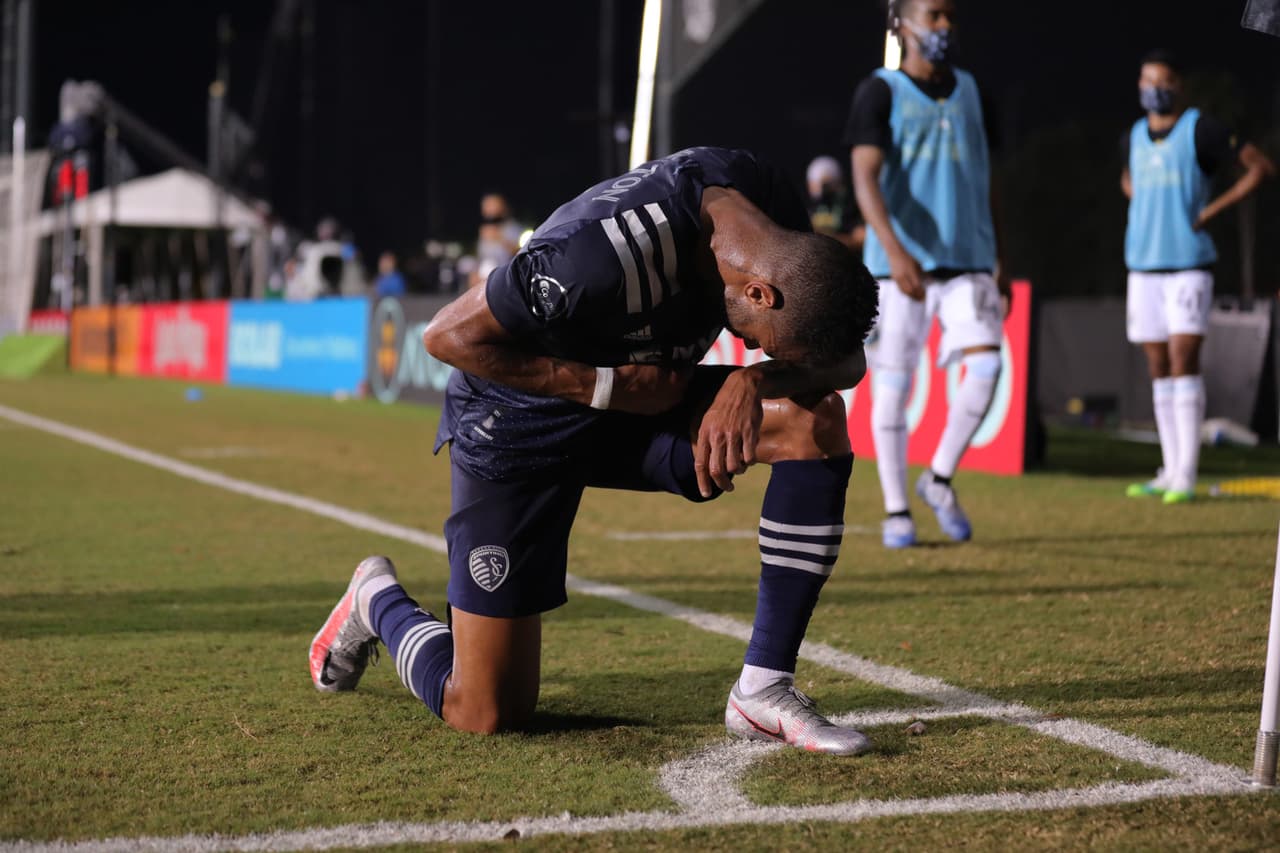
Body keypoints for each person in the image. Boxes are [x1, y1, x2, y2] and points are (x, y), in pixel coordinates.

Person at [308, 146, 880, 755]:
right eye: (761, 344)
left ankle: (763, 690)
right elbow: (446, 335)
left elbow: (842, 361)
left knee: (811, 420)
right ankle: (377, 600)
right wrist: (603, 386)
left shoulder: (773, 216)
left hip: (647, 400)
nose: (753, 348)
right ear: (761, 293)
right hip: (517, 419)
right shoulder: (594, 257)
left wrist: (754, 379)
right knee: (486, 709)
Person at [845, 0, 1008, 549]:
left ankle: (937, 478)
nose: (945, 26)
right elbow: (864, 178)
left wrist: (1000, 253)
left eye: (949, 16)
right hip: (900, 269)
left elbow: (990, 179)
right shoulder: (880, 90)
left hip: (969, 261)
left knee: (986, 370)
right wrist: (893, 251)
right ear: (903, 25)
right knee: (892, 387)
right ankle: (897, 511)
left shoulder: (974, 90)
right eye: (934, 15)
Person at [1120, 50, 1275, 503]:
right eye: (1147, 79)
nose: (1154, 88)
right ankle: (1168, 470)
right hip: (1142, 264)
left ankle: (1186, 474)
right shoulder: (1132, 134)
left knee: (1183, 357)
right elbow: (1128, 179)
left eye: (1163, 80)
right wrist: (1141, 201)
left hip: (1188, 265)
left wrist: (1211, 210)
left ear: (1179, 86)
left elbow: (1260, 167)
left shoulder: (1201, 130)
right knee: (1157, 366)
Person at [805, 155, 865, 252]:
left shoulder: (849, 207)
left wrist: (824, 241)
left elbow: (860, 239)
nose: (822, 190)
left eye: (826, 184)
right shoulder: (810, 208)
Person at [470, 193, 526, 288]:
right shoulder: (485, 229)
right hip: (485, 277)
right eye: (486, 206)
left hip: (506, 274)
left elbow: (521, 253)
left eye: (492, 205)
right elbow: (482, 256)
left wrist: (499, 238)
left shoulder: (514, 228)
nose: (488, 209)